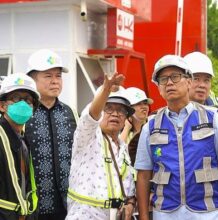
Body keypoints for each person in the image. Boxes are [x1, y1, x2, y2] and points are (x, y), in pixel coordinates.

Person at [135, 54, 218, 220]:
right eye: (163, 79)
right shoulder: (150, 126)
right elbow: (143, 174)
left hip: (208, 212)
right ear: (159, 88)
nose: (169, 82)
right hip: (165, 213)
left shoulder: (212, 119)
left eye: (175, 77)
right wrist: (143, 216)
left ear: (188, 81)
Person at [66, 73, 136, 220]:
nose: (115, 114)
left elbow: (127, 184)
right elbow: (92, 116)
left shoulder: (123, 147)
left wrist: (130, 203)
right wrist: (106, 90)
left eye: (121, 110)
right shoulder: (88, 137)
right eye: (108, 108)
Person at [24, 49, 78, 220]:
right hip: (33, 206)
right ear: (32, 79)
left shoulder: (70, 112)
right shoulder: (23, 114)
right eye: (48, 76)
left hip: (68, 205)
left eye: (58, 76)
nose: (55, 81)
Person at [0, 73, 40, 220]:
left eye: (28, 100)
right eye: (16, 98)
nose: (23, 104)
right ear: (2, 106)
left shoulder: (23, 138)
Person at [183, 52, 218, 123]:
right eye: (196, 79)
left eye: (206, 80)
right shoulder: (172, 115)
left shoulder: (216, 115)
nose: (202, 85)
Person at [120, 87, 153, 165]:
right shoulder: (123, 133)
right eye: (138, 104)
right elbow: (118, 153)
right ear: (128, 109)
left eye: (145, 103)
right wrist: (126, 128)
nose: (144, 107)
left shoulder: (154, 126)